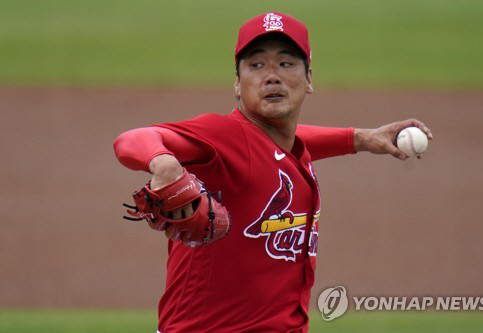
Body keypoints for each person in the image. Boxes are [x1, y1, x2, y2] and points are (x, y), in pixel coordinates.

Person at [113, 12, 433, 333]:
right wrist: (164, 163)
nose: (272, 76)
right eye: (256, 65)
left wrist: (360, 138)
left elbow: (283, 145)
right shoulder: (223, 136)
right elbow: (132, 140)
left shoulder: (282, 145)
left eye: (285, 63)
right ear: (237, 84)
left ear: (308, 79)